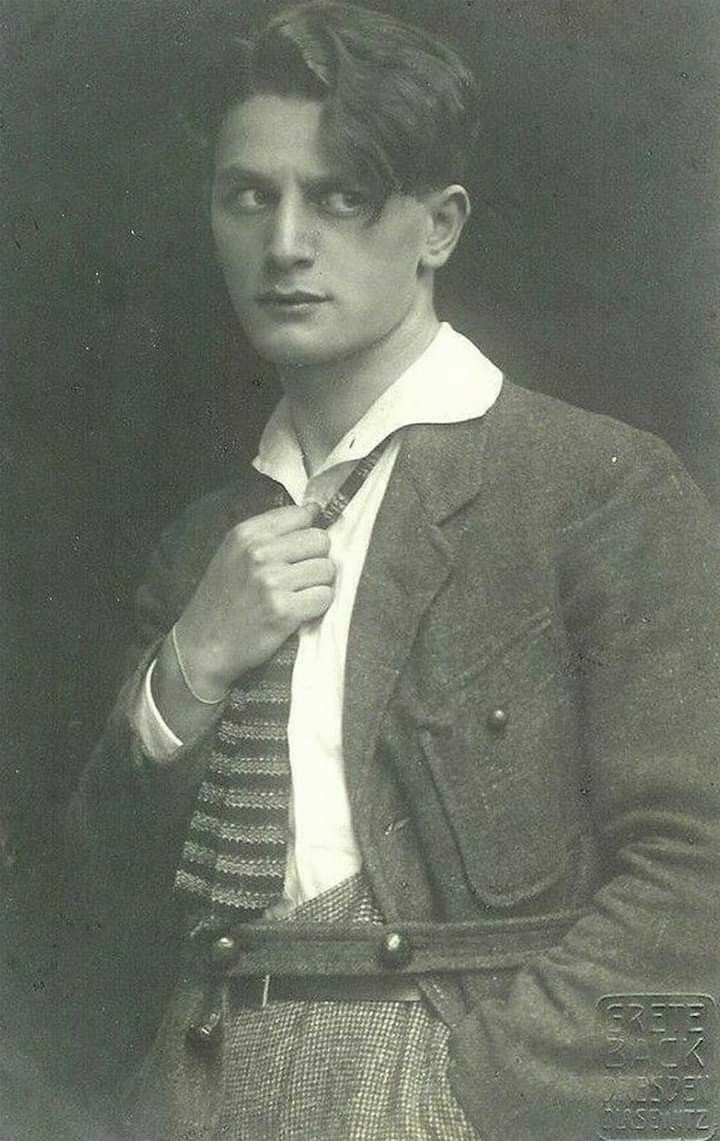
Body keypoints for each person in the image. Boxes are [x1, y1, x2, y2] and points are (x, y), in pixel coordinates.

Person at [68, 3, 720, 1139]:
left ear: (438, 227)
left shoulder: (593, 485)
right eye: (247, 196)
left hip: (445, 1082)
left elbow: (694, 875)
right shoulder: (204, 539)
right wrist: (188, 670)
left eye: (340, 196)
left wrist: (467, 1097)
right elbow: (93, 905)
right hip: (186, 1085)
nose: (283, 244)